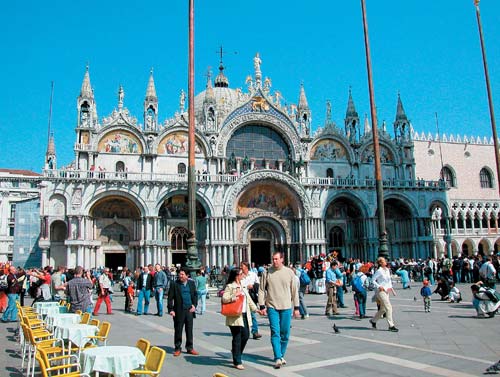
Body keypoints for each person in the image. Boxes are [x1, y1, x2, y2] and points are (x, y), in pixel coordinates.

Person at [258, 251, 300, 369]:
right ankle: (277, 357)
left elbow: (294, 291)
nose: (274, 261)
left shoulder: (289, 273)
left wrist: (296, 307)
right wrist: (262, 305)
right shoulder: (267, 272)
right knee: (275, 332)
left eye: (276, 259)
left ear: (282, 259)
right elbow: (261, 290)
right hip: (272, 306)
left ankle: (281, 354)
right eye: (273, 259)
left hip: (286, 306)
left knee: (285, 333)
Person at [222, 268, 258, 370]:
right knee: (237, 337)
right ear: (237, 275)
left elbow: (249, 300)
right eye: (241, 274)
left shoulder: (243, 286)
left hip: (245, 314)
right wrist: (235, 295)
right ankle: (237, 361)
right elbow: (224, 298)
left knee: (246, 335)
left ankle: (236, 352)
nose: (243, 275)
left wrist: (256, 309)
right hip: (235, 316)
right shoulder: (230, 286)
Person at [167, 268, 199, 357]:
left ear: (187, 275)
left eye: (182, 274)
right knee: (178, 330)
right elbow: (170, 298)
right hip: (178, 310)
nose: (180, 276)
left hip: (189, 310)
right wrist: (171, 310)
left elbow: (195, 295)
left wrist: (194, 305)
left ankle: (190, 348)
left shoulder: (191, 283)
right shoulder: (174, 284)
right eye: (180, 274)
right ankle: (177, 348)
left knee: (189, 330)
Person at [369, 257, 399, 332]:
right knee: (389, 307)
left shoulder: (387, 270)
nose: (386, 262)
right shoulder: (379, 271)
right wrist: (379, 286)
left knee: (383, 309)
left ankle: (373, 320)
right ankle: (391, 325)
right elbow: (372, 280)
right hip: (380, 291)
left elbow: (389, 281)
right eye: (384, 261)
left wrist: (392, 290)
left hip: (386, 291)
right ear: (380, 263)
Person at [240, 261, 262, 337]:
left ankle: (255, 331)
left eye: (242, 266)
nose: (241, 267)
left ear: (246, 267)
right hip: (243, 297)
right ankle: (246, 330)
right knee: (244, 315)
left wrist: (253, 286)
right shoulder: (239, 276)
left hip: (252, 296)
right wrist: (245, 287)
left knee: (252, 314)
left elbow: (258, 284)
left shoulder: (253, 274)